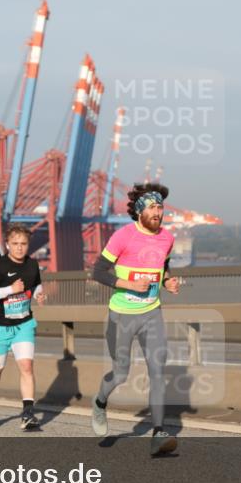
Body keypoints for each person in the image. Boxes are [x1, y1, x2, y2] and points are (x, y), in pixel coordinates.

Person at [89, 183, 180, 456]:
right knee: (120, 373)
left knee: (157, 371)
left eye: (160, 207)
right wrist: (127, 284)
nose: (158, 212)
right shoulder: (123, 236)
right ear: (140, 211)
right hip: (122, 316)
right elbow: (98, 272)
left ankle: (158, 433)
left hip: (152, 314)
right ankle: (100, 402)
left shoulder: (167, 238)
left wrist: (167, 282)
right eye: (152, 207)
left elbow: (162, 266)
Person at [0, 224, 45, 430]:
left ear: (28, 245)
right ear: (7, 244)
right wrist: (10, 289)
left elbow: (35, 283)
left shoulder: (32, 265)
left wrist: (38, 293)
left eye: (23, 244)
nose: (19, 248)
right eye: (15, 244)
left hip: (23, 323)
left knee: (26, 366)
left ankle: (28, 414)